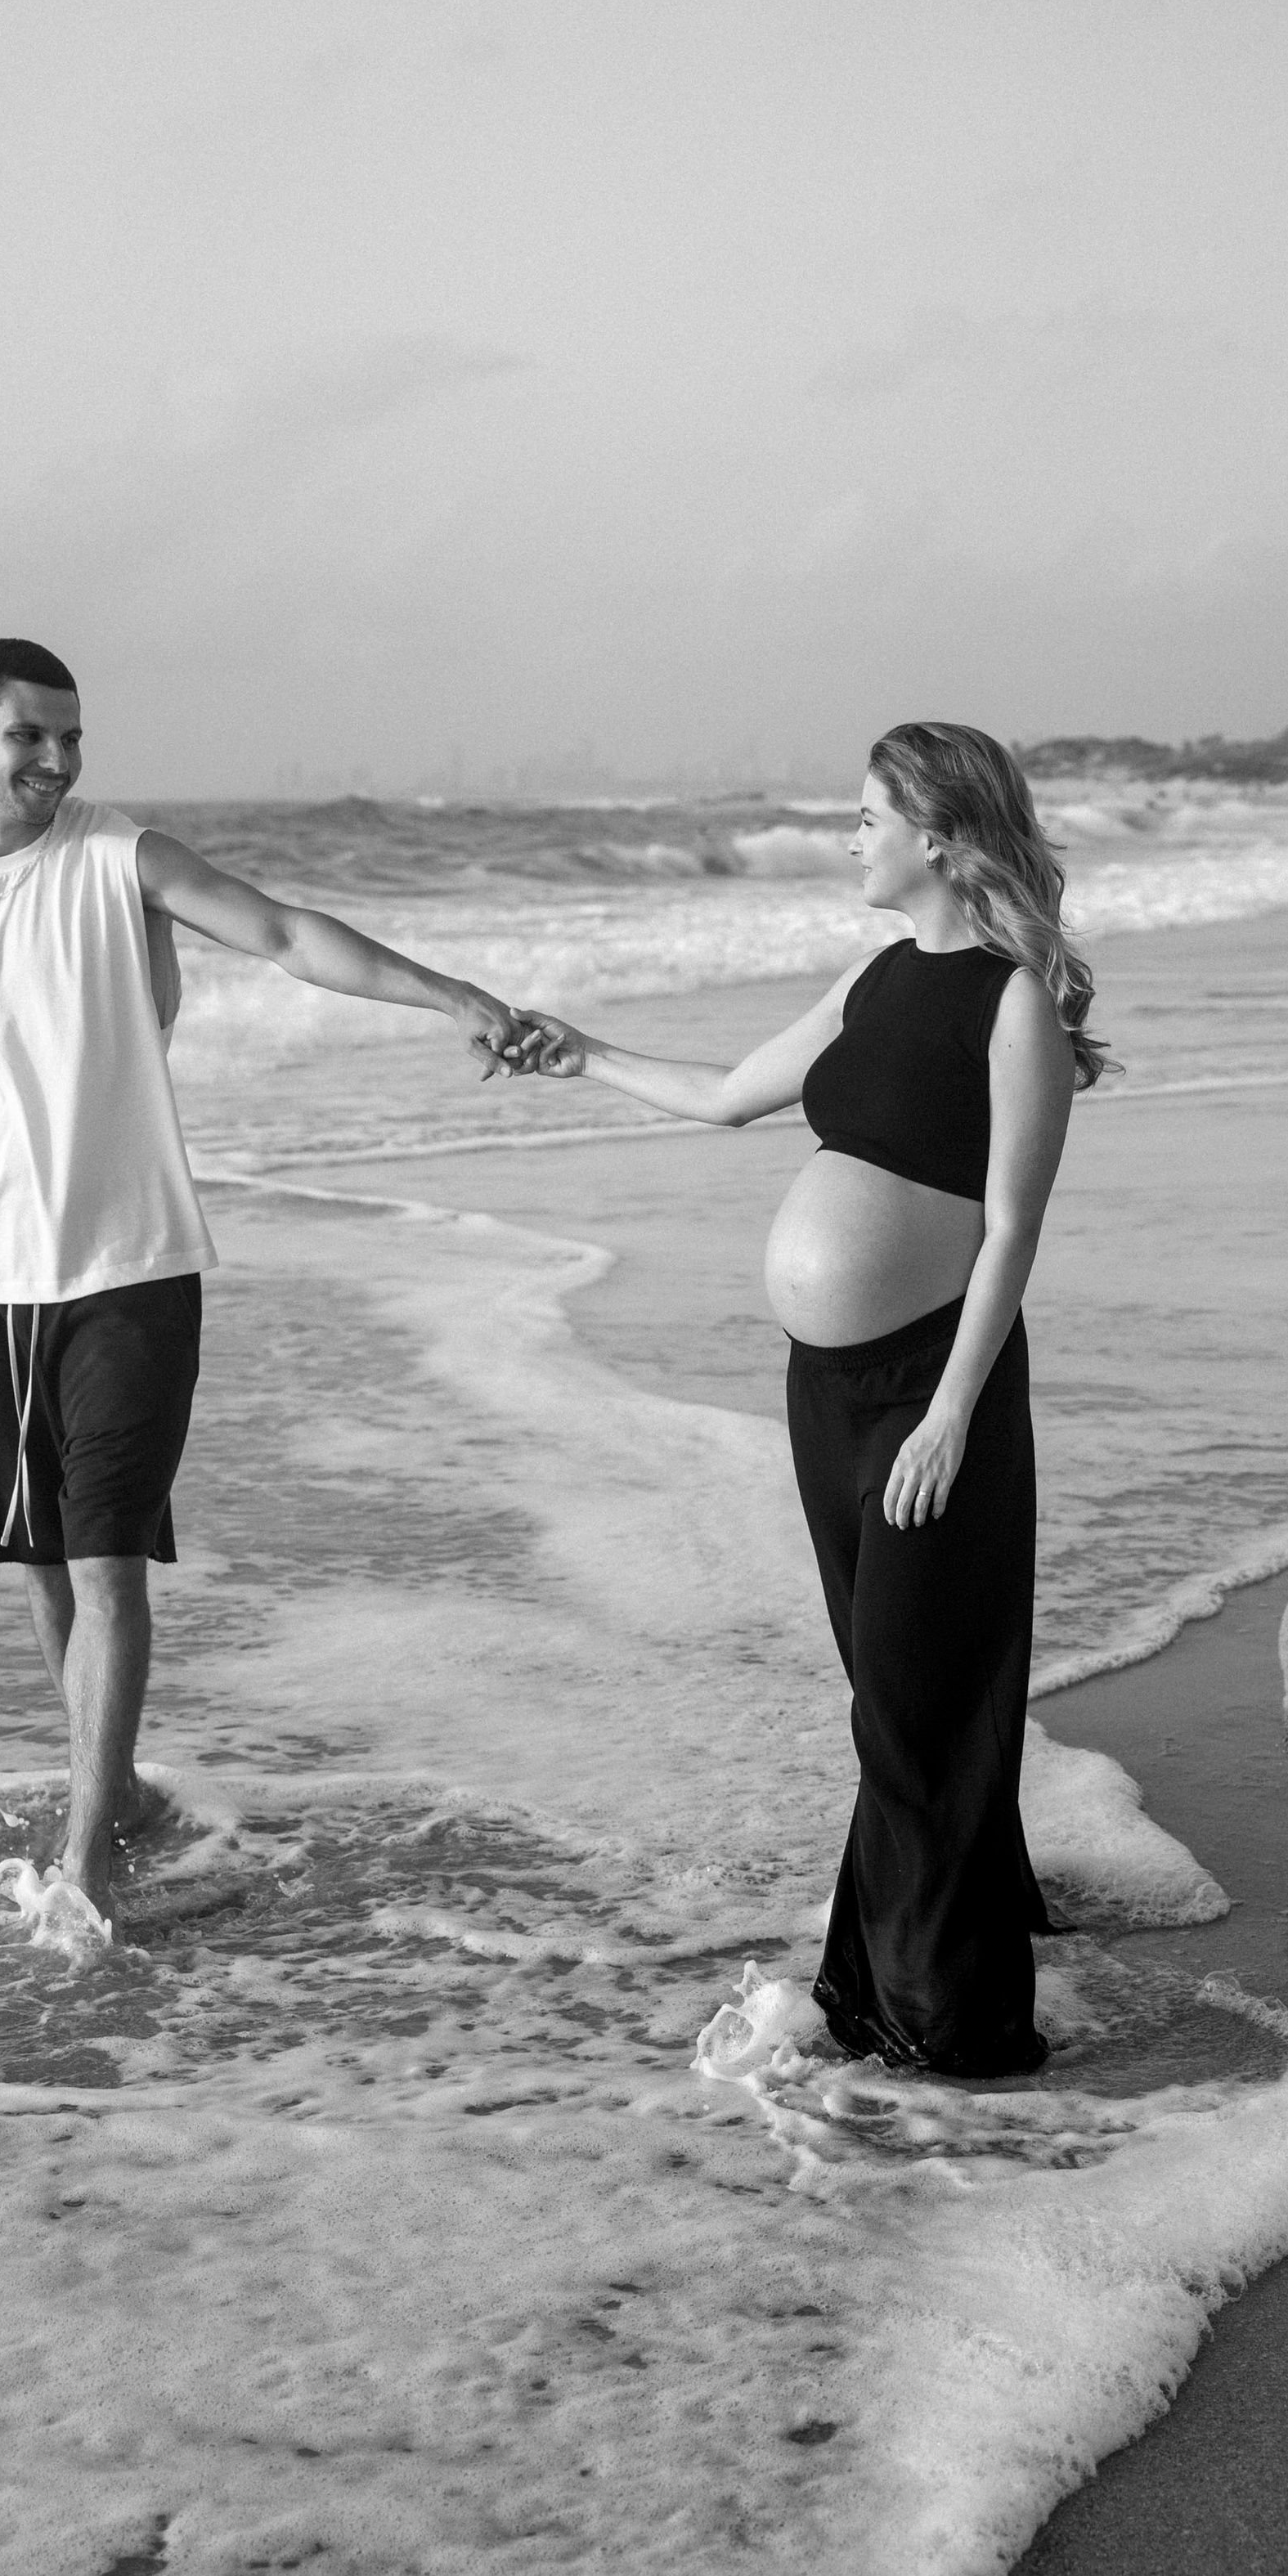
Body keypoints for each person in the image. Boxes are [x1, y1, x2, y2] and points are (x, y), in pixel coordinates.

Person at [0, 638, 534, 1923]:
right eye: (29, 735)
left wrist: (448, 994)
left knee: (108, 1562)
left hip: (132, 1267)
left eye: (73, 737)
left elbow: (286, 931)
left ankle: (83, 1870)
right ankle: (114, 1791)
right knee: (44, 1569)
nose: (58, 760)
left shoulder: (119, 857)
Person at [522, 723, 1108, 2076]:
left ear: (940, 838)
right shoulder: (874, 975)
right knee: (891, 1692)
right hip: (827, 1395)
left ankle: (949, 2031)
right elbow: (731, 1095)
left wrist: (952, 1412)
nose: (850, 838)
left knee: (913, 1707)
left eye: (867, 817)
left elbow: (1012, 1229)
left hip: (932, 1389)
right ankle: (896, 1988)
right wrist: (581, 1051)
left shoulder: (1012, 1005)